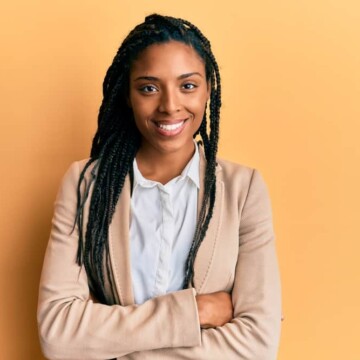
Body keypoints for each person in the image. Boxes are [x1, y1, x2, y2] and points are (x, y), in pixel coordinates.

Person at [37, 14, 282, 360]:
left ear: (208, 88)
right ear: (128, 95)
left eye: (188, 85)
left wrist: (109, 342)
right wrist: (194, 314)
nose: (169, 105)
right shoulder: (85, 184)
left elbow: (258, 345)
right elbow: (57, 335)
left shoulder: (245, 191)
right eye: (149, 88)